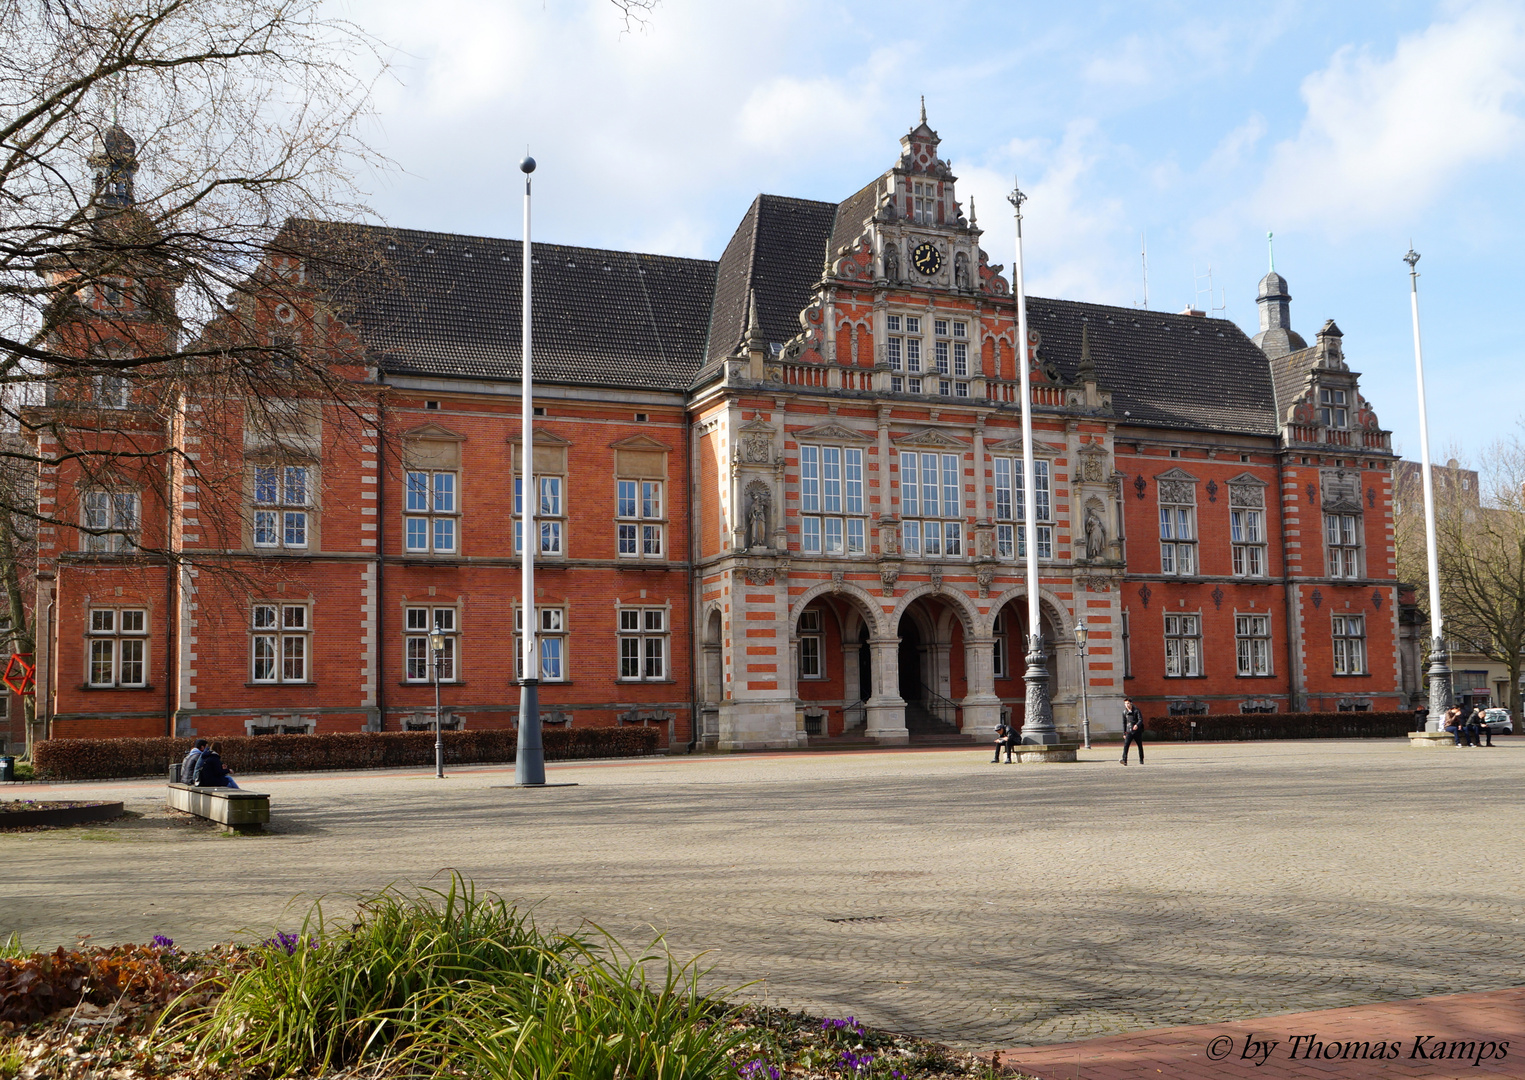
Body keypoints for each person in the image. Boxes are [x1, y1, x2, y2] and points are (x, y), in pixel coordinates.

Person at [1120, 697, 1145, 765]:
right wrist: (1124, 733)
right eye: (1125, 703)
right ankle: (1124, 760)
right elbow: (1124, 723)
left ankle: (1141, 759)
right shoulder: (1124, 712)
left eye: (1128, 703)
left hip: (1137, 731)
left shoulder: (1136, 711)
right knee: (1126, 746)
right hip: (1128, 731)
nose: (1126, 705)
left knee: (1139, 745)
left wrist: (1137, 725)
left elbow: (1140, 719)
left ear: (1131, 703)